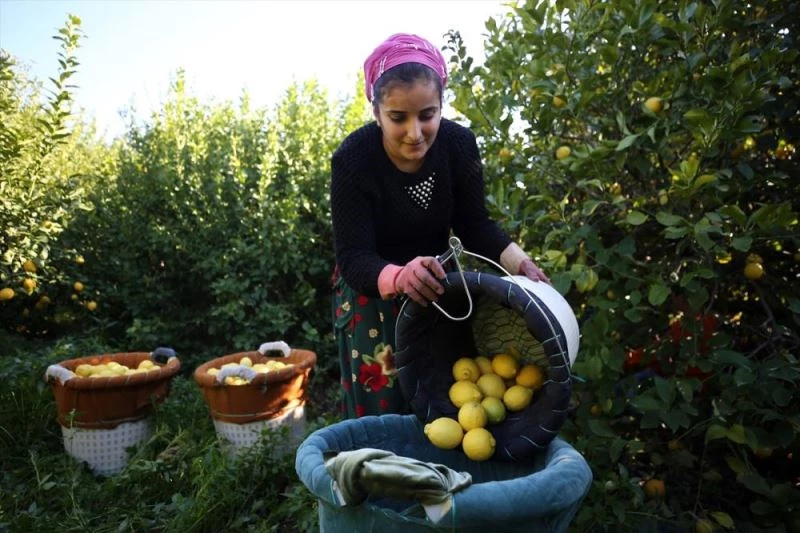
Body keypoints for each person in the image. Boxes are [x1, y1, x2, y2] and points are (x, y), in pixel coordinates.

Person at [330, 33, 549, 419]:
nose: (415, 133)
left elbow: (473, 224)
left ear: (441, 105)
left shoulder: (458, 145)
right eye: (398, 118)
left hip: (435, 283)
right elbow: (353, 256)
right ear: (376, 111)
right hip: (375, 292)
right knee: (388, 412)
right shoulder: (354, 159)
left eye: (427, 115)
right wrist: (399, 276)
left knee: (452, 397)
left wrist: (520, 263)